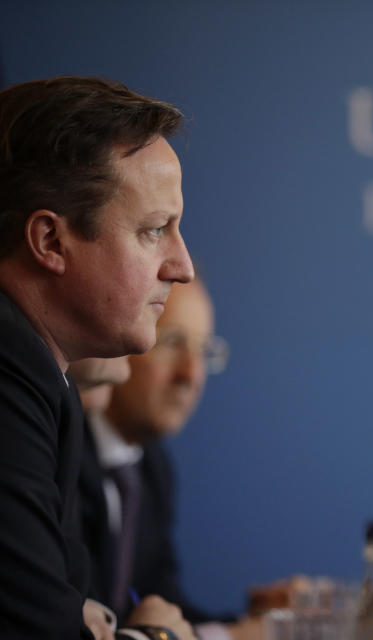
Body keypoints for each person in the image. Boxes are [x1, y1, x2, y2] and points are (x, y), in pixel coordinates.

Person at [0, 76, 197, 640]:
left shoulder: (41, 378)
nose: (181, 265)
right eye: (154, 230)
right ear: (51, 242)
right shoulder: (8, 373)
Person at [80, 278, 260, 640]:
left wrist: (255, 622)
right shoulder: (57, 451)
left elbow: (165, 609)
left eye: (205, 351)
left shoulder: (153, 469)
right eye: (174, 342)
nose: (190, 375)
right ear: (122, 335)